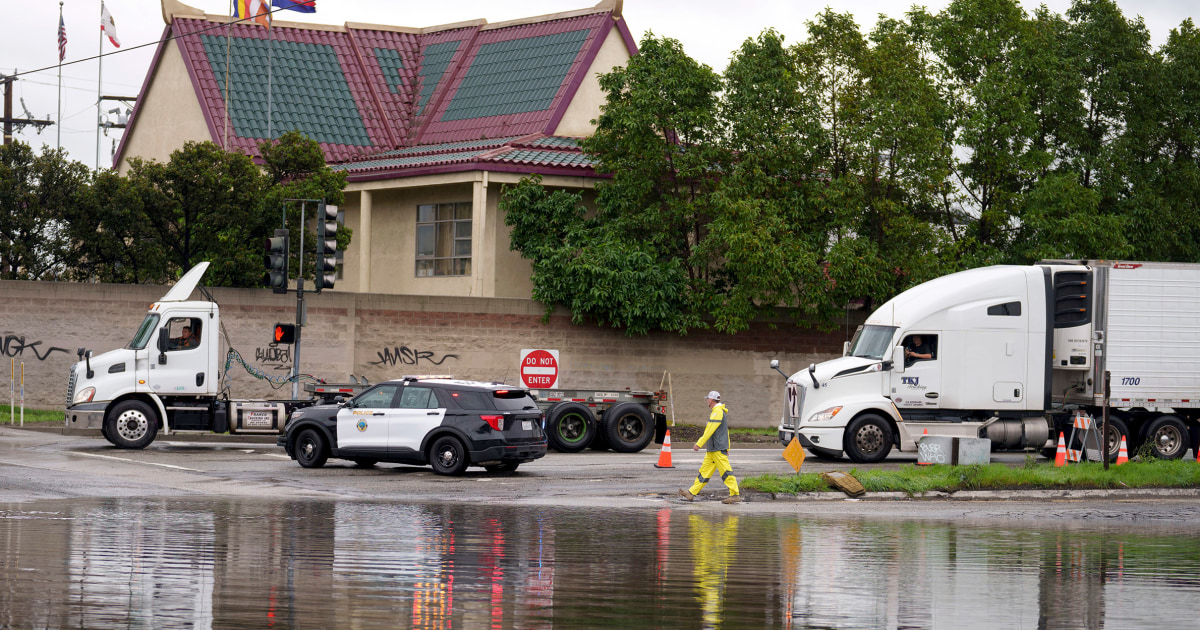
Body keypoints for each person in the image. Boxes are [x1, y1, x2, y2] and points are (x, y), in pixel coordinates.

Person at [679, 391, 741, 504]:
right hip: (713, 449)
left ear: (711, 400)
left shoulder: (717, 412)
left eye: (708, 399)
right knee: (704, 472)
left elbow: (710, 430)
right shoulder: (717, 411)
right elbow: (725, 432)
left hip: (717, 448)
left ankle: (735, 494)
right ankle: (691, 493)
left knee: (726, 471)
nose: (707, 401)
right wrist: (727, 448)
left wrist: (699, 443)